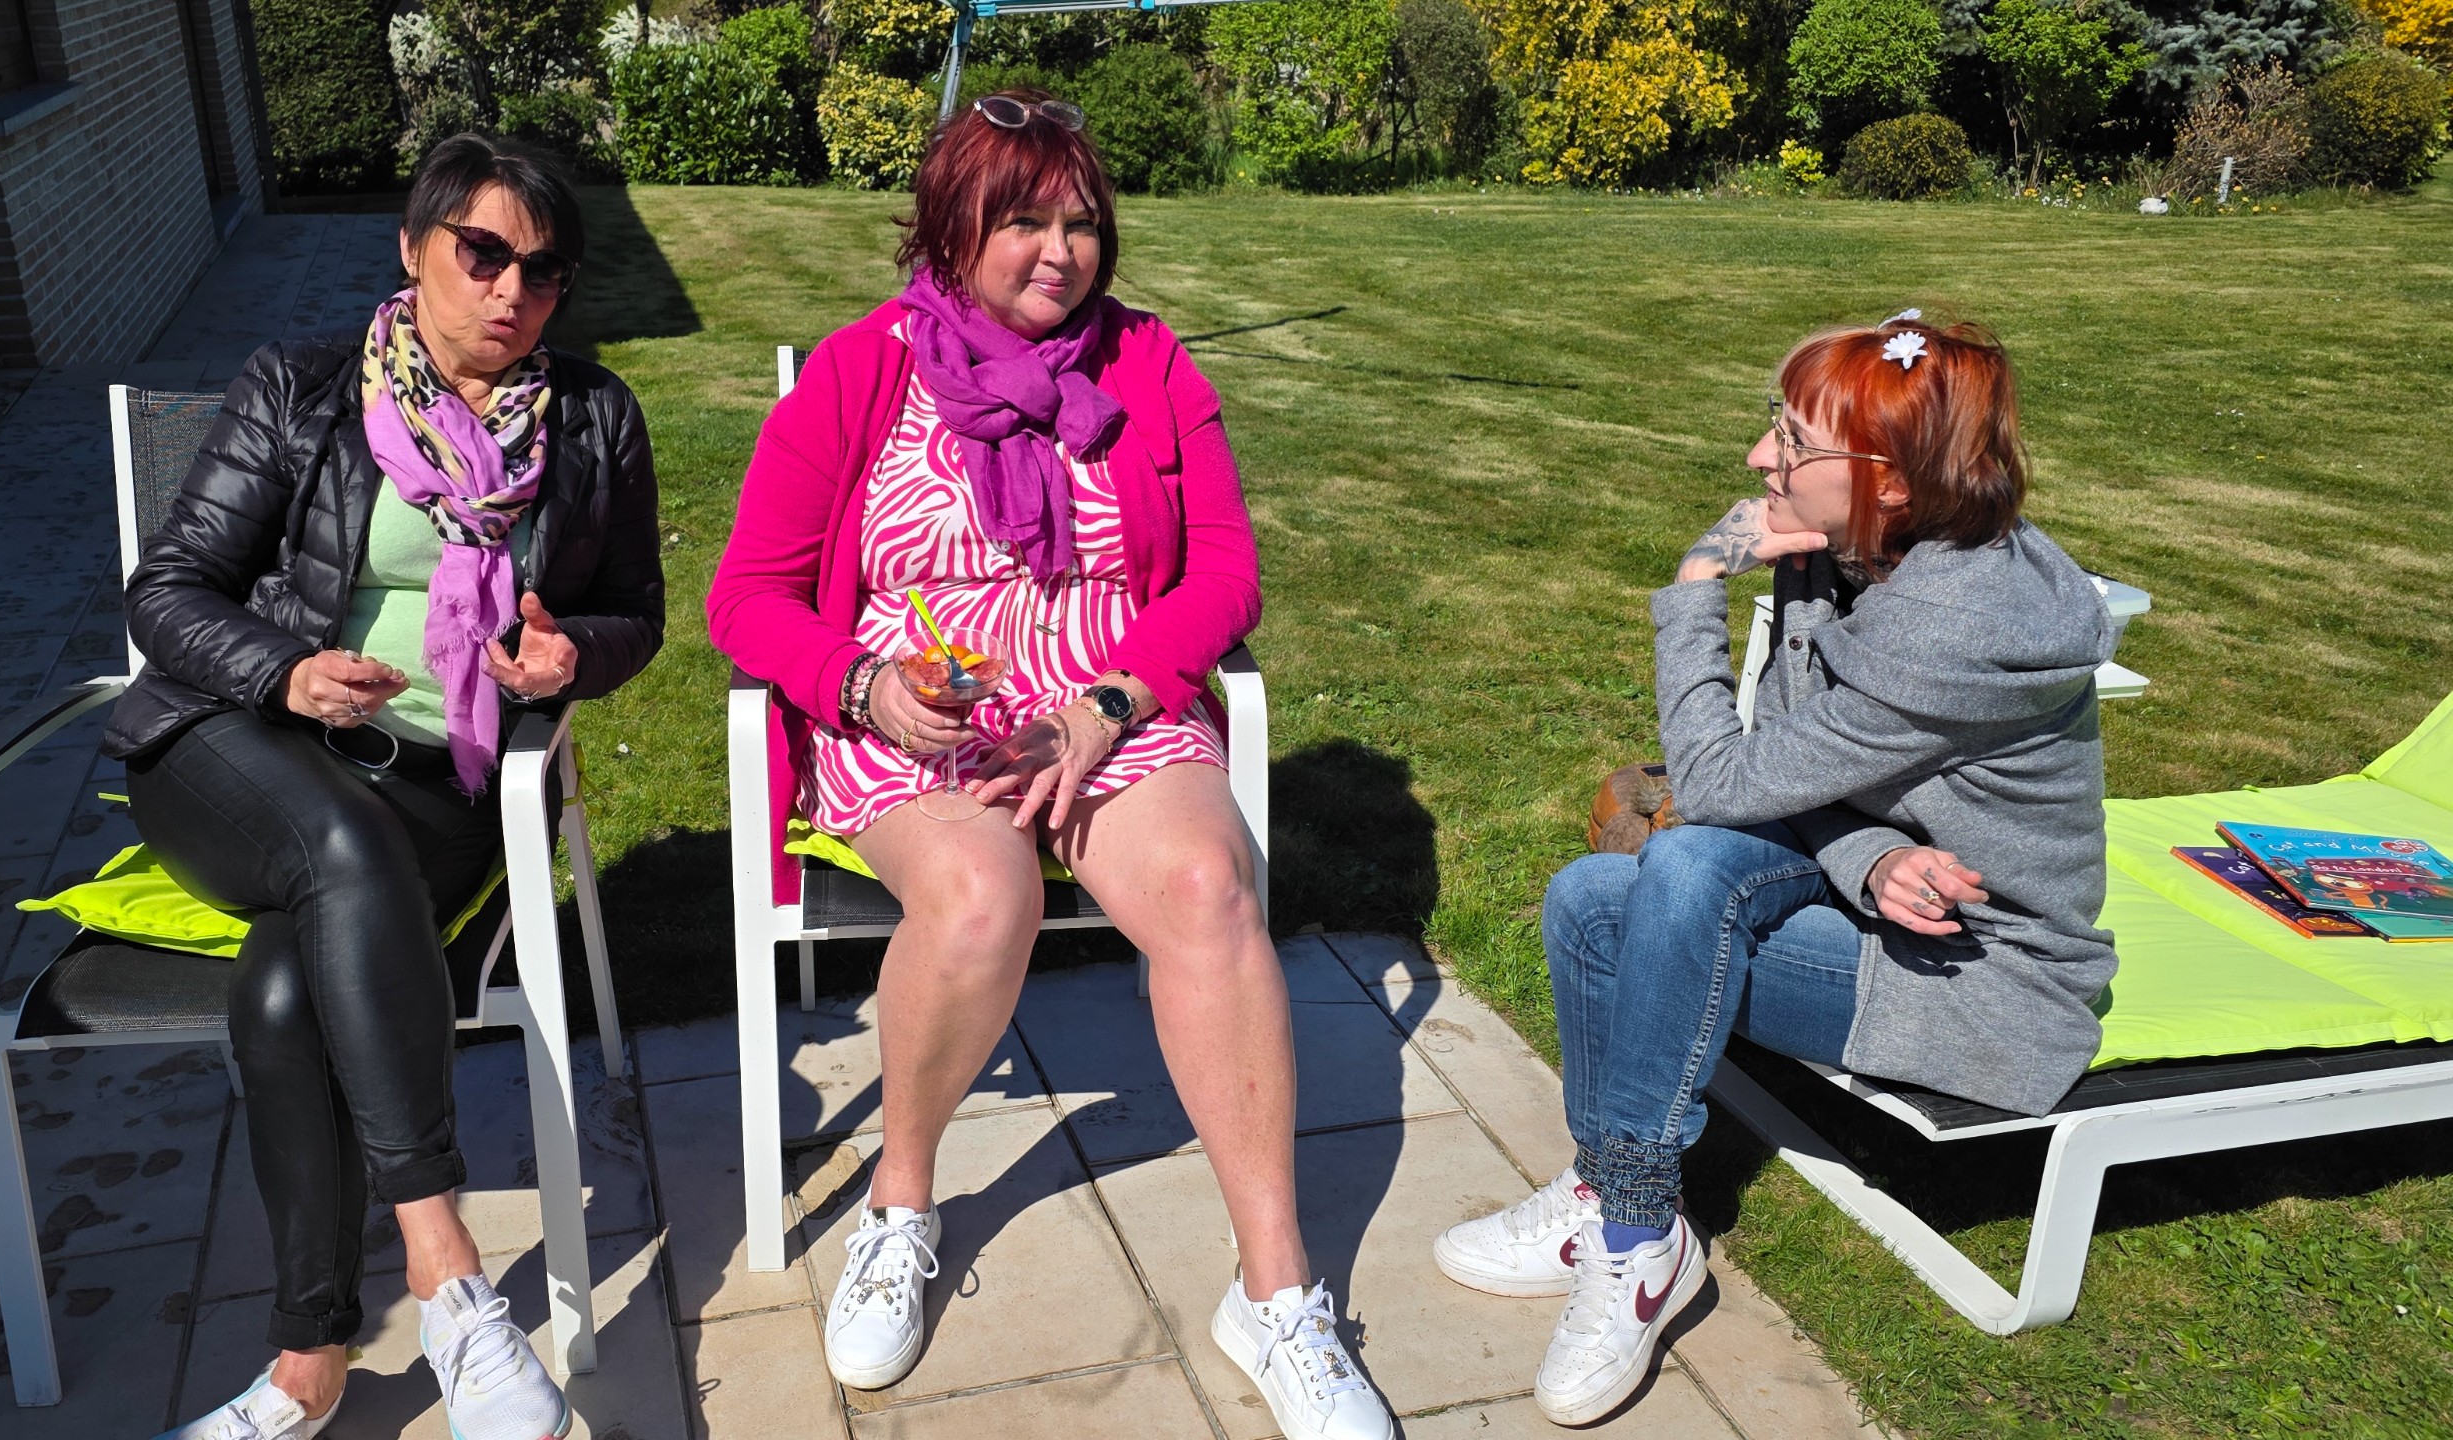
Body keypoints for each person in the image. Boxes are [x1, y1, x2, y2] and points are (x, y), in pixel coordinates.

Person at [707, 92, 1393, 1440]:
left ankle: (1275, 1290)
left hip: (1103, 698)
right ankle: (903, 1202)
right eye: (1023, 220)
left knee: (1207, 886)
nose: (1060, 252)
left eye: (1081, 223)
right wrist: (863, 685)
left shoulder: (1148, 362)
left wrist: (1108, 704)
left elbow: (1223, 573)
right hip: (922, 715)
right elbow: (749, 597)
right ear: (951, 228)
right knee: (981, 896)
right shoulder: (857, 374)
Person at [1432, 315, 2118, 1427]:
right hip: (1884, 913)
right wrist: (1871, 856)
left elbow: (1716, 783)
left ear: (1891, 482)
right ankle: (1613, 1194)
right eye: (1775, 426)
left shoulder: (1954, 624)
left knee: (1678, 864)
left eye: (1794, 443)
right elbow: (1796, 777)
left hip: (1986, 978)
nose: (1761, 460)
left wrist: (1697, 578)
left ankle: (1634, 1228)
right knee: (1589, 898)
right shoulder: (1857, 550)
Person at [108, 135, 664, 1440]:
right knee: (342, 852)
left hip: (434, 780)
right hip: (233, 749)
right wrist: (287, 672)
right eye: (482, 252)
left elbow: (637, 613)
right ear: (414, 249)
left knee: (284, 991)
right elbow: (168, 592)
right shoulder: (301, 388)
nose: (512, 289)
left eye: (544, 270)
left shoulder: (592, 418)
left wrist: (573, 656)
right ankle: (449, 1275)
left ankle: (306, 1367)